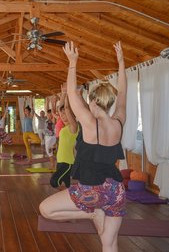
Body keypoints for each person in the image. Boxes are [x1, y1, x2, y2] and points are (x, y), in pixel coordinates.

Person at [40, 41, 126, 252]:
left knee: (45, 210)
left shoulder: (89, 122)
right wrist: (122, 63)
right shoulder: (118, 122)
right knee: (109, 243)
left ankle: (91, 213)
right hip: (116, 191)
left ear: (93, 101)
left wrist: (73, 62)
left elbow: (71, 92)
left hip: (92, 190)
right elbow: (124, 93)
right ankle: (94, 212)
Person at [49, 93, 78, 188]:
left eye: (64, 113)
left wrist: (66, 93)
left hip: (68, 162)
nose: (62, 116)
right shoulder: (64, 128)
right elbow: (62, 143)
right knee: (66, 183)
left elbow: (67, 108)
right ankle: (69, 197)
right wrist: (54, 146)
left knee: (54, 182)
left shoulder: (74, 127)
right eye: (61, 114)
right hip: (60, 160)